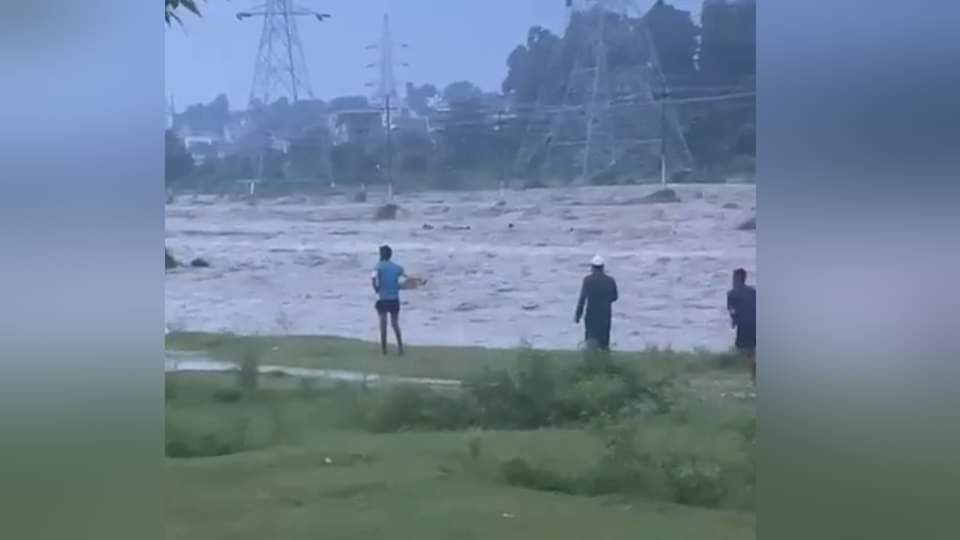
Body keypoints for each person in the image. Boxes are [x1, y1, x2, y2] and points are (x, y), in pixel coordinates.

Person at [575, 255, 619, 351]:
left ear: (592, 267)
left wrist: (578, 315)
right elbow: (615, 297)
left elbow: (582, 299)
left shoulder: (588, 280)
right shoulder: (610, 281)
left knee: (591, 340)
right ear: (603, 267)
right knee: (604, 341)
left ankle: (591, 358)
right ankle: (604, 358)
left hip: (591, 315)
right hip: (605, 315)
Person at [372, 244, 406, 356]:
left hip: (383, 299)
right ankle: (400, 347)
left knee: (383, 324)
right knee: (395, 324)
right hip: (394, 299)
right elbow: (407, 278)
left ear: (381, 255)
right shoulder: (397, 268)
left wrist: (377, 289)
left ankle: (384, 350)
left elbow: (374, 280)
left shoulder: (378, 267)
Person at [727, 268, 757, 383]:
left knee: (741, 348)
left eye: (734, 278)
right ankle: (754, 367)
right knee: (752, 347)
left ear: (737, 279)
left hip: (744, 324)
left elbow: (732, 310)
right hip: (756, 323)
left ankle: (753, 367)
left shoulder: (732, 293)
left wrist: (734, 321)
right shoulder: (753, 292)